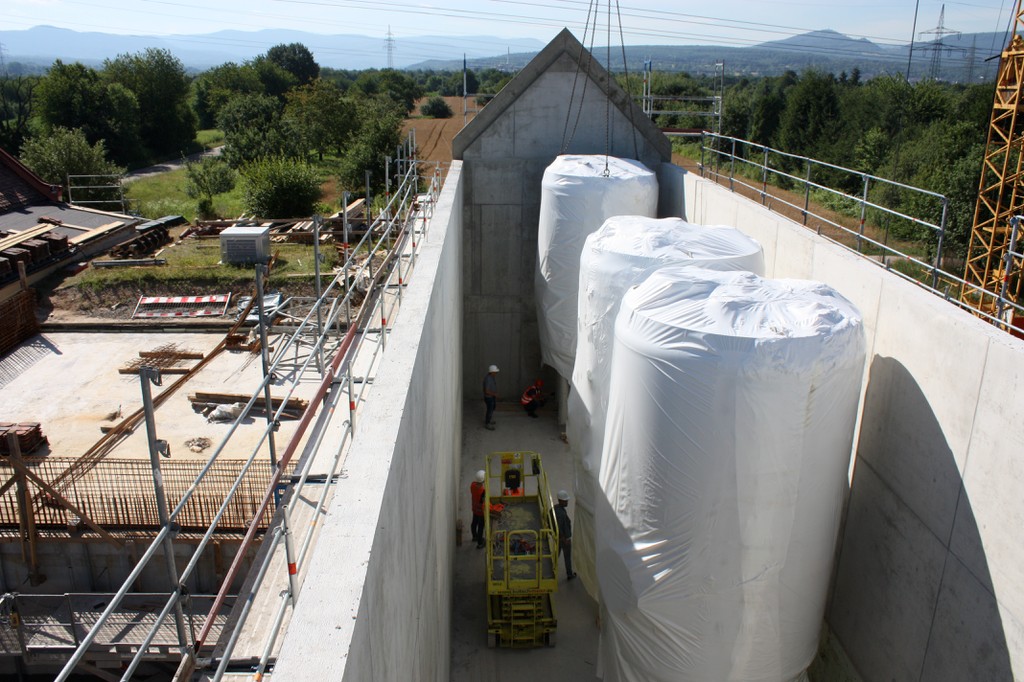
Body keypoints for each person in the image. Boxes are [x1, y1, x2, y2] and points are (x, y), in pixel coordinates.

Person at [554, 489, 576, 580]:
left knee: (555, 555)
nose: (567, 502)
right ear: (560, 500)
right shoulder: (561, 514)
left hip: (557, 538)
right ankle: (569, 574)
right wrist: (565, 539)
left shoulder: (555, 508)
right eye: (565, 500)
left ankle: (552, 570)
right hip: (564, 539)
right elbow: (559, 528)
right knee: (567, 557)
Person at [470, 470, 487, 549]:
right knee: (480, 526)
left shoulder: (472, 485)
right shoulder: (483, 491)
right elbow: (484, 500)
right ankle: (480, 543)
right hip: (481, 512)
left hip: (475, 508)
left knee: (474, 522)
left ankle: (474, 536)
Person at [482, 365, 499, 430]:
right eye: (495, 372)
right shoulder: (488, 379)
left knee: (492, 408)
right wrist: (495, 394)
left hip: (492, 397)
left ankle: (489, 420)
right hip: (489, 398)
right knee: (490, 410)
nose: (496, 373)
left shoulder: (492, 377)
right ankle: (487, 423)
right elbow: (486, 391)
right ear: (491, 372)